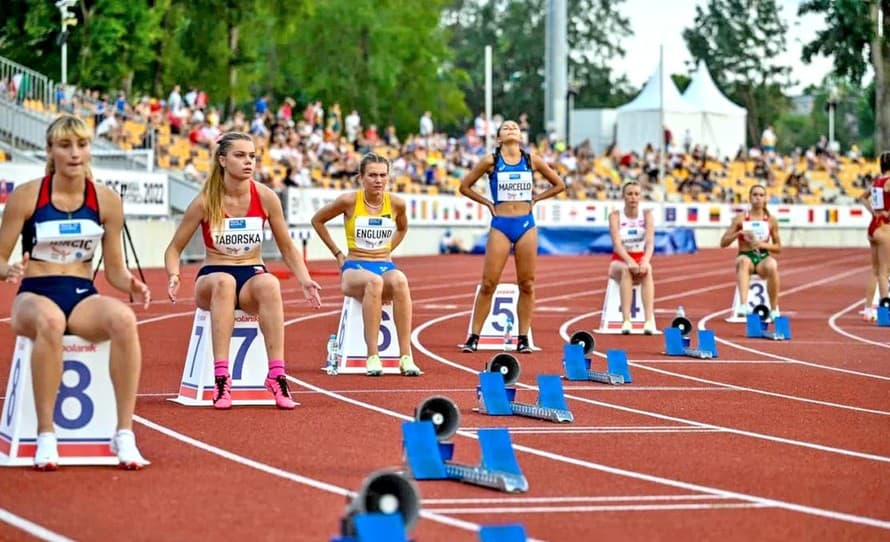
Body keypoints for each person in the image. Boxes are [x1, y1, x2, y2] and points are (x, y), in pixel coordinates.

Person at [0, 114, 150, 470]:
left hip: (82, 295)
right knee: (50, 321)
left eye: (81, 145)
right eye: (65, 146)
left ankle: (124, 433)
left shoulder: (107, 201)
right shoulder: (26, 196)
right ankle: (46, 434)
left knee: (123, 319)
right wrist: (8, 269)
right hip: (34, 293)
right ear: (51, 150)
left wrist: (131, 283)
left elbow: (114, 270)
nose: (74, 153)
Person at [165, 132, 322, 410]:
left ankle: (276, 375)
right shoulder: (205, 201)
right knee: (224, 283)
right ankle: (222, 378)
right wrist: (174, 274)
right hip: (213, 276)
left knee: (270, 283)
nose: (248, 162)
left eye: (252, 156)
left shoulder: (266, 197)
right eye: (240, 156)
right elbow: (174, 248)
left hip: (250, 274)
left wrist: (305, 280)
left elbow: (286, 247)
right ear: (223, 160)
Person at [310, 152, 422, 376]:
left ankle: (406, 356)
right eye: (372, 175)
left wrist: (388, 249)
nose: (378, 180)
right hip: (355, 267)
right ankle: (372, 356)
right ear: (361, 177)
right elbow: (317, 220)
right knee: (373, 282)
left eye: (382, 175)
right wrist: (338, 254)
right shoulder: (349, 201)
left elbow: (402, 228)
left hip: (383, 264)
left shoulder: (397, 204)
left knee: (400, 280)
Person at [458, 120, 565, 352]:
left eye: (515, 127)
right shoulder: (491, 161)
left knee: (527, 284)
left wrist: (536, 199)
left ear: (521, 136)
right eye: (506, 128)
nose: (511, 129)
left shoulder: (531, 160)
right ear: (498, 138)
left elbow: (559, 184)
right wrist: (487, 202)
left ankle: (523, 337)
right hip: (501, 225)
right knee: (488, 283)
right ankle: (474, 336)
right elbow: (464, 186)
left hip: (526, 224)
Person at [720, 184, 783, 319]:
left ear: (765, 199)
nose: (758, 198)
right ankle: (743, 306)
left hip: (762, 257)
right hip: (745, 255)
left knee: (772, 265)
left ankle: (773, 310)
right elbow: (723, 243)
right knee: (743, 262)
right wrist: (738, 233)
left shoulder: (771, 220)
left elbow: (778, 248)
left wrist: (762, 244)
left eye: (761, 195)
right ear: (749, 198)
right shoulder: (741, 219)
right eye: (755, 195)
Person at [608, 181, 656, 334]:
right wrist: (630, 261)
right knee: (627, 270)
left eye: (636, 194)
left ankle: (648, 321)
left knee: (648, 269)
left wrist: (645, 260)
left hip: (640, 260)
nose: (633, 197)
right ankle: (626, 321)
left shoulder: (647, 215)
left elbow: (649, 242)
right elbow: (617, 244)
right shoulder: (615, 216)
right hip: (619, 261)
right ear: (624, 196)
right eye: (629, 194)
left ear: (640, 196)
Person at [861, 151, 890, 319]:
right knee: (885, 272)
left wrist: (874, 211)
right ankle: (885, 310)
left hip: (873, 226)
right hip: (885, 227)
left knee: (876, 271)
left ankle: (868, 309)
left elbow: (863, 197)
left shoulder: (877, 181)